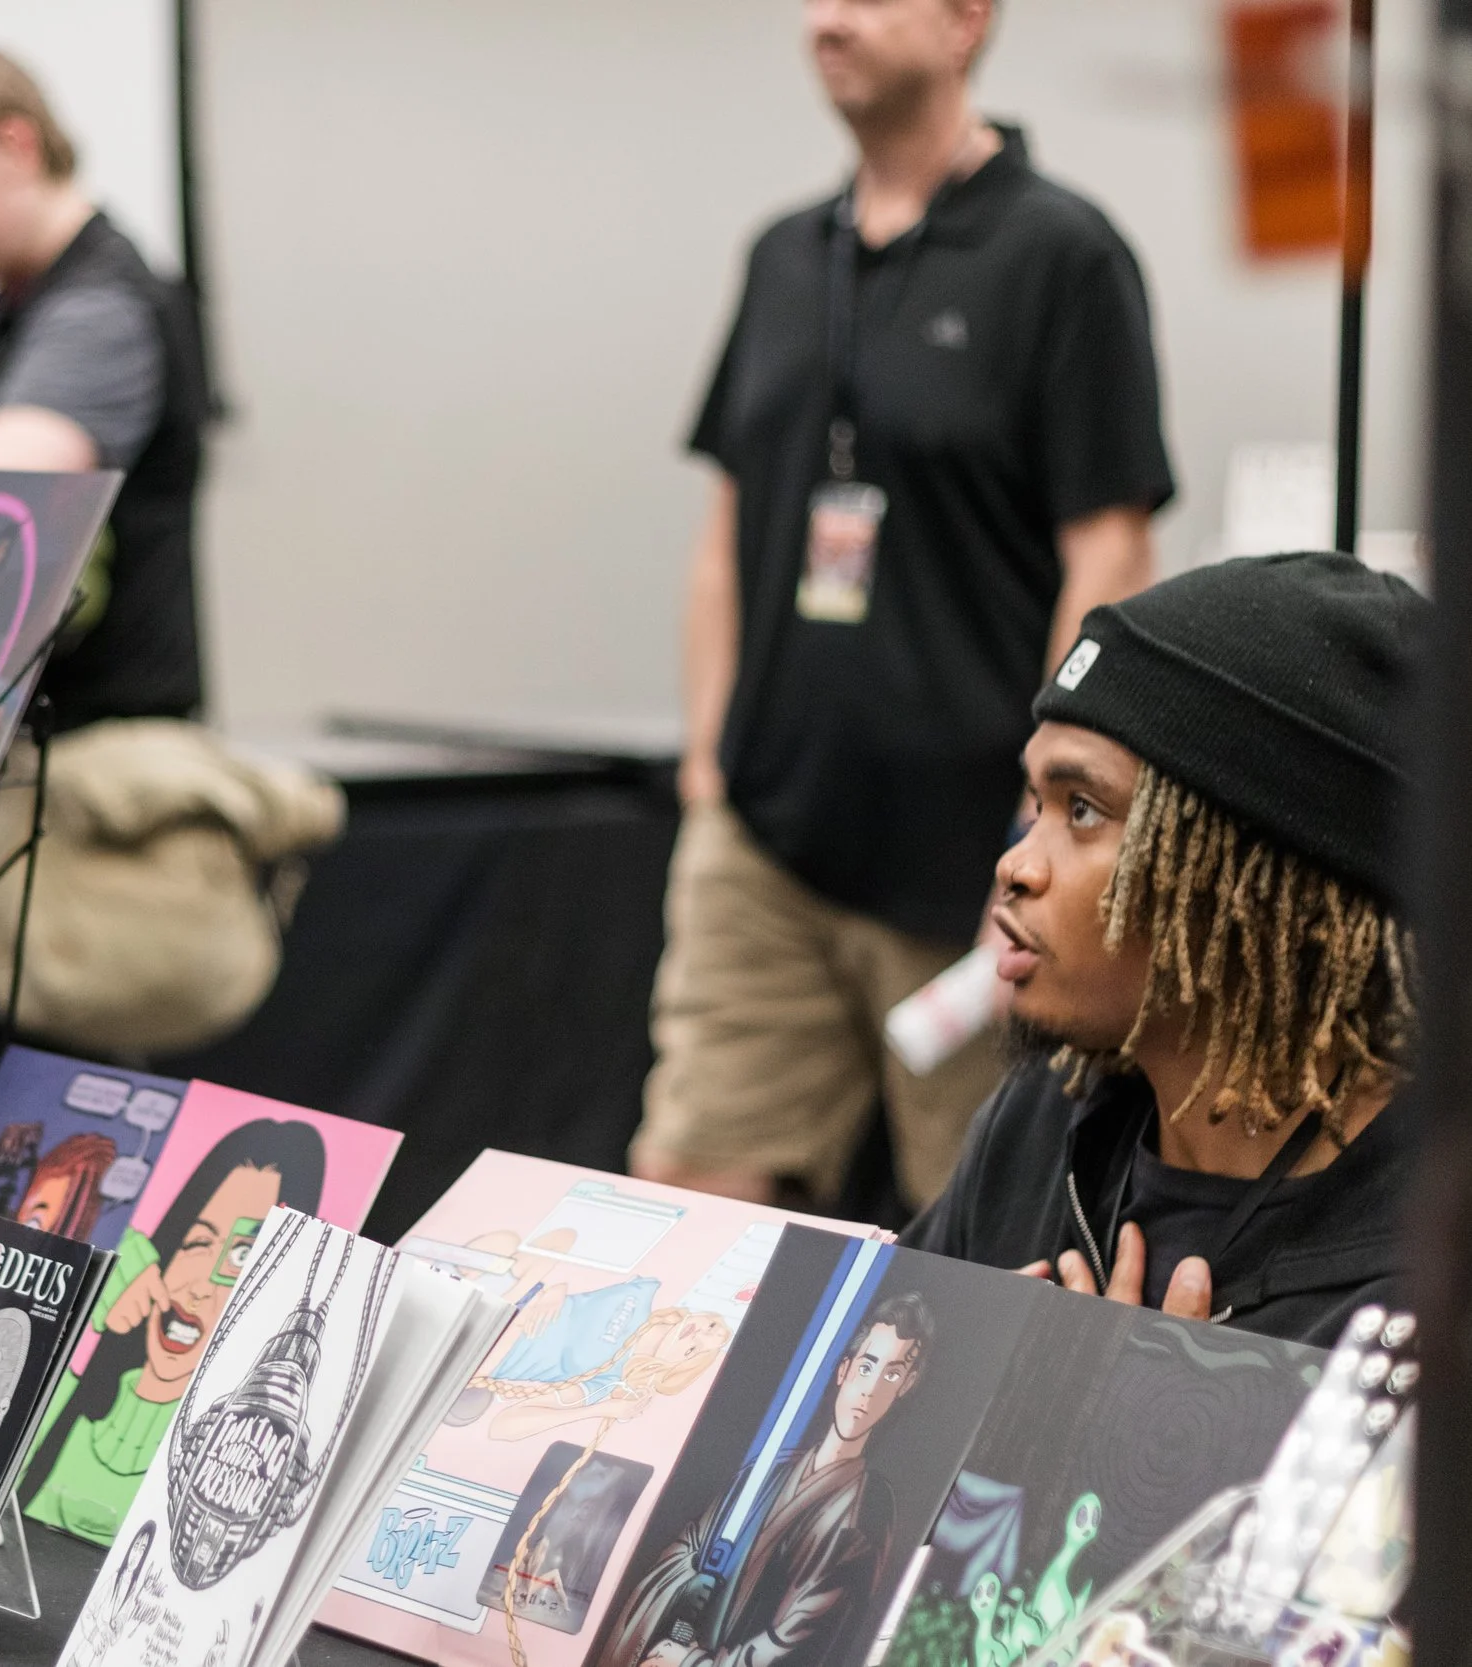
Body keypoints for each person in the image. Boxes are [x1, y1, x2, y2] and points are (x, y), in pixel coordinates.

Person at [633, 0, 1175, 1213]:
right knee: (680, 1194)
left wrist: (1053, 820)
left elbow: (1110, 548)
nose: (828, 19)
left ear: (966, 23)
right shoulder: (783, 254)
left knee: (981, 1237)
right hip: (764, 834)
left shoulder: (1060, 254)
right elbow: (729, 525)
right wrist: (709, 764)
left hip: (972, 860)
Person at [905, 553, 1425, 1348]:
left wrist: (1137, 1432)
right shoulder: (1045, 1119)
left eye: (1082, 810)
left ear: (1257, 880)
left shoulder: (1423, 1258)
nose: (1016, 865)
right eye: (1034, 804)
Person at [0, 50, 208, 731]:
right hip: (33, 740)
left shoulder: (102, 310)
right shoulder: (1, 317)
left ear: (14, 146)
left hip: (106, 757)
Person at [19, 1120, 327, 1542]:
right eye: (197, 1243)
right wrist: (88, 1294)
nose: (198, 1287)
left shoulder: (230, 1460)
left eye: (242, 1256)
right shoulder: (63, 1394)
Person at [596, 1294, 933, 1667]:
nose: (871, 1389)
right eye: (866, 1367)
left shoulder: (871, 1503)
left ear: (906, 1385)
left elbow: (804, 1638)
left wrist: (693, 1663)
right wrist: (688, 1586)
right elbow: (688, 1545)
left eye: (892, 1374)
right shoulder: (771, 1470)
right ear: (844, 1371)